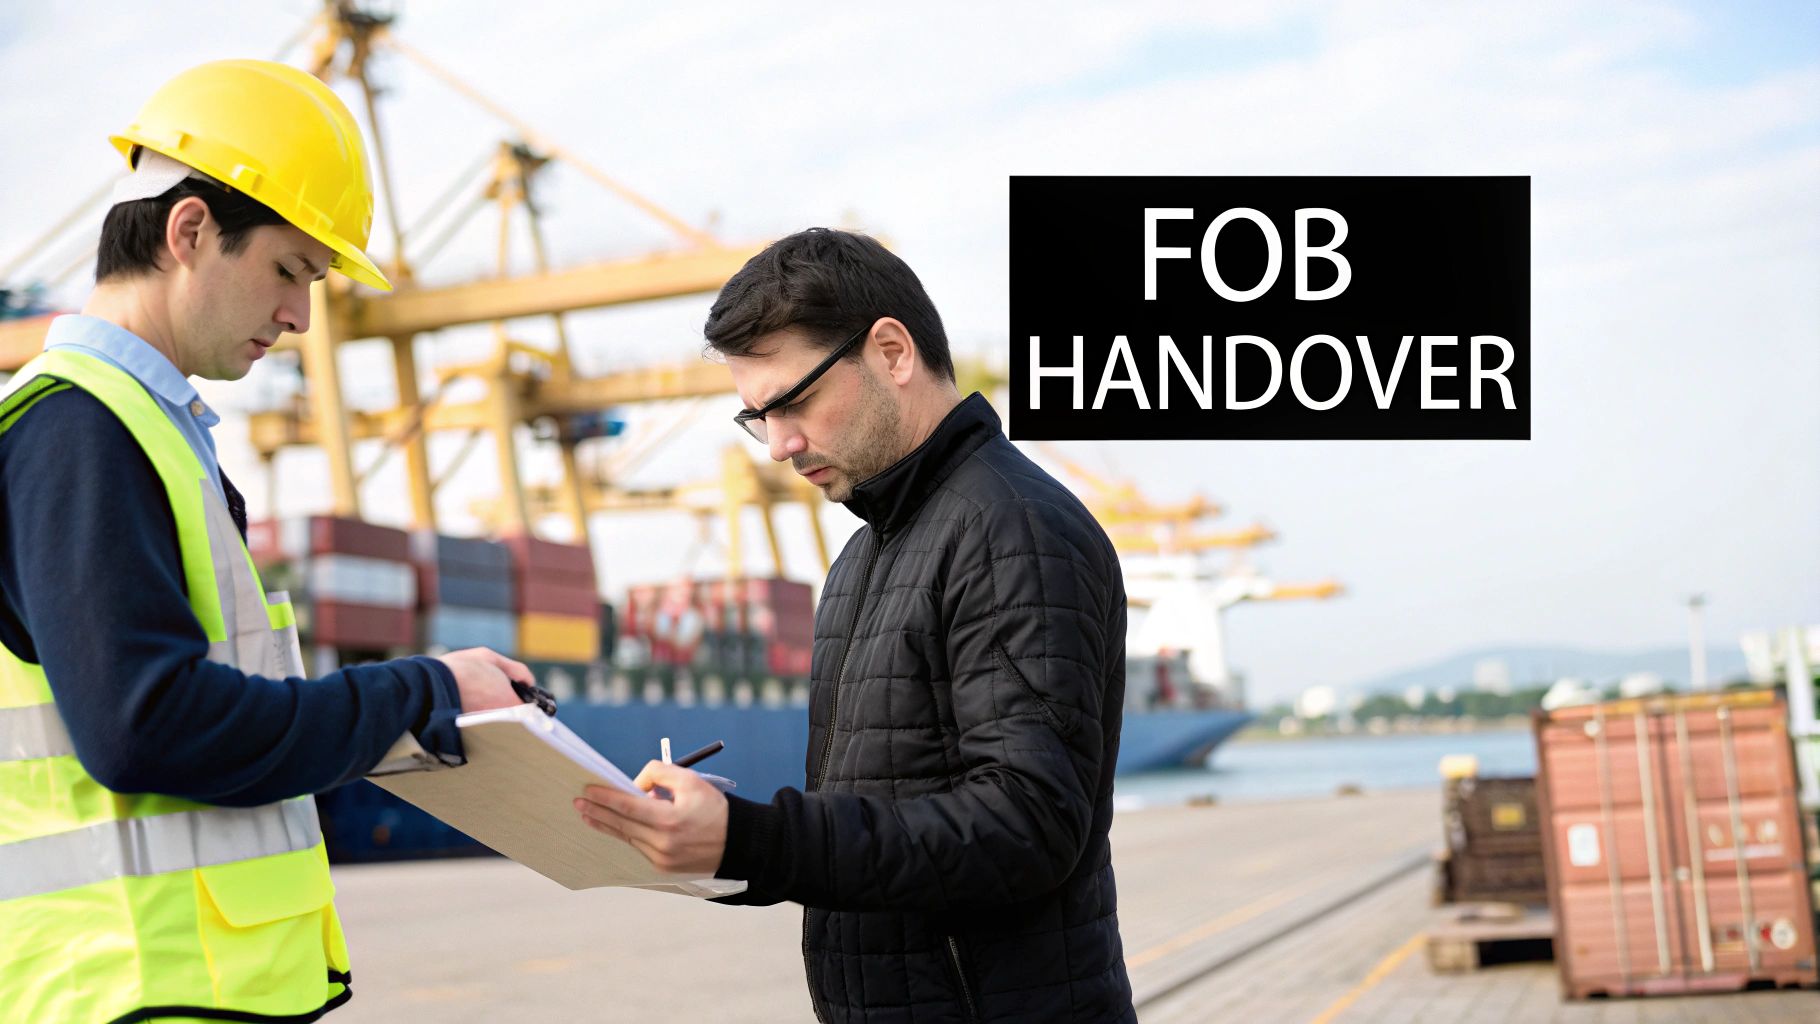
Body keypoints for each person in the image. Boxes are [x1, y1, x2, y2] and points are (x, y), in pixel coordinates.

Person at [0, 59, 532, 1023]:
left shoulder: (145, 432)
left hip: (178, 988)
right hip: (130, 990)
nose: (300, 317)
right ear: (190, 230)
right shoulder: (81, 429)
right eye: (291, 270)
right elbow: (144, 727)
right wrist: (425, 689)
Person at [577, 228, 1136, 1022]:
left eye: (793, 402)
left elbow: (1028, 827)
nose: (778, 446)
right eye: (756, 419)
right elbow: (865, 838)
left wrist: (754, 839)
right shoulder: (862, 558)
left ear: (892, 352)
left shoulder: (1010, 525)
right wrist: (708, 846)